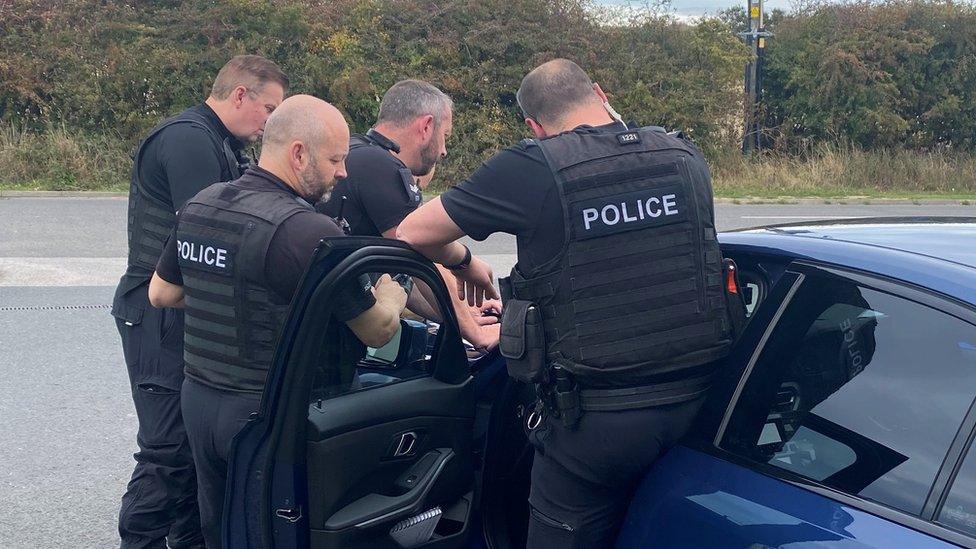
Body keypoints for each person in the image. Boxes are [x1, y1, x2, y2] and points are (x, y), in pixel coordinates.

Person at [398, 59, 735, 547]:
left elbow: (410, 233)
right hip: (706, 408)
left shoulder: (534, 165)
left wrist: (467, 260)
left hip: (599, 424)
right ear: (600, 93)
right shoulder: (684, 156)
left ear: (535, 126)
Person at [147, 95, 408, 548]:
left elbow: (163, 292)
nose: (343, 172)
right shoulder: (305, 231)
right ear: (299, 153)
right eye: (335, 159)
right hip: (266, 411)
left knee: (221, 529)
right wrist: (391, 291)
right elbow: (377, 329)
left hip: (201, 399)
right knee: (275, 530)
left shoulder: (203, 204)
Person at [110, 54, 287, 549]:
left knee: (194, 449)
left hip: (182, 307)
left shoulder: (221, 143)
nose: (269, 122)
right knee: (168, 451)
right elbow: (214, 226)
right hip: (157, 310)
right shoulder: (188, 139)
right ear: (239, 95)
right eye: (268, 108)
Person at [319, 79, 500, 350]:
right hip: (332, 346)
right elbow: (425, 253)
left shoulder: (359, 152)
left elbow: (409, 271)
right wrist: (475, 333)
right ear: (427, 126)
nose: (443, 150)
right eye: (445, 136)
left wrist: (465, 316)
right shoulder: (382, 166)